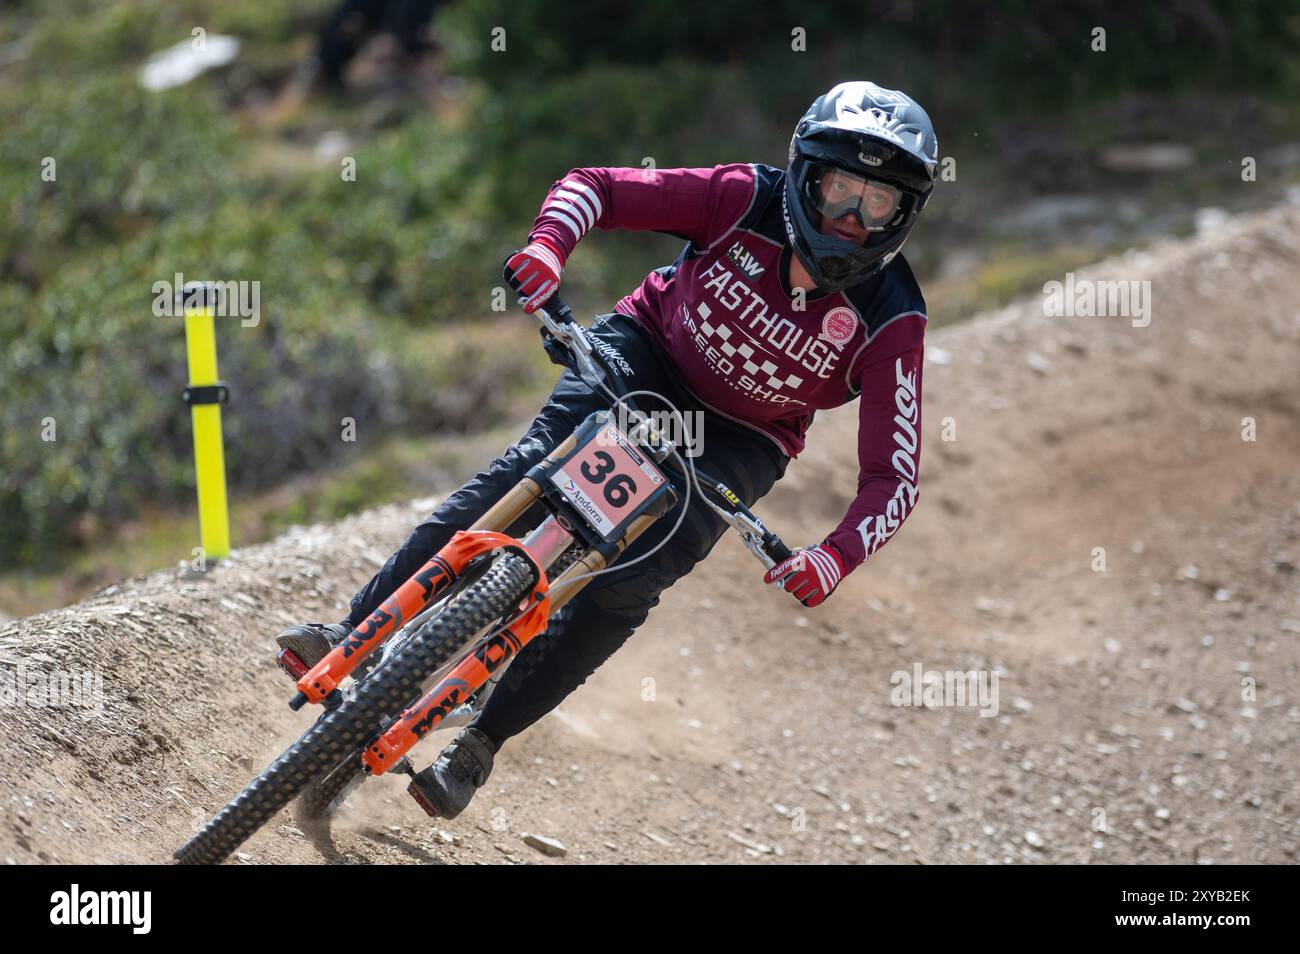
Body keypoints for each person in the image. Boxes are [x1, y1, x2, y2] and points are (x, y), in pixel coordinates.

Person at [276, 80, 938, 818]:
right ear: (805, 173)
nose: (850, 216)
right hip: (648, 349)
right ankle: (350, 633)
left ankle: (478, 746)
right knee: (523, 473)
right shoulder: (742, 197)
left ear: (903, 215)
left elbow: (894, 478)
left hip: (743, 437)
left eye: (876, 201)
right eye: (839, 186)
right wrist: (548, 247)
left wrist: (835, 555)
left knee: (627, 587)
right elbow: (595, 187)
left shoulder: (892, 319)